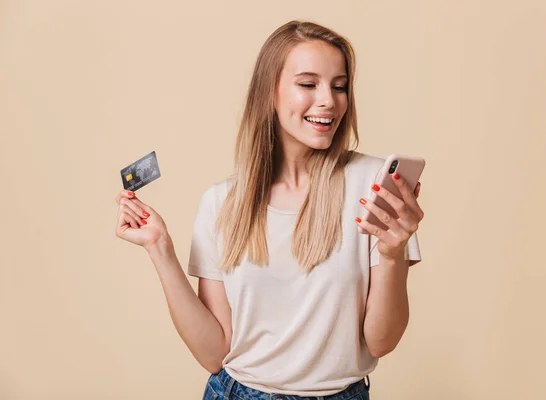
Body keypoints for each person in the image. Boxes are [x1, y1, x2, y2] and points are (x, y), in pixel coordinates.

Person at [115, 20, 424, 400]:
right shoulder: (221, 203)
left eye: (339, 86)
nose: (329, 99)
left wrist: (393, 256)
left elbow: (381, 342)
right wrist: (159, 249)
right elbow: (215, 353)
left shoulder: (372, 186)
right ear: (270, 92)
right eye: (308, 84)